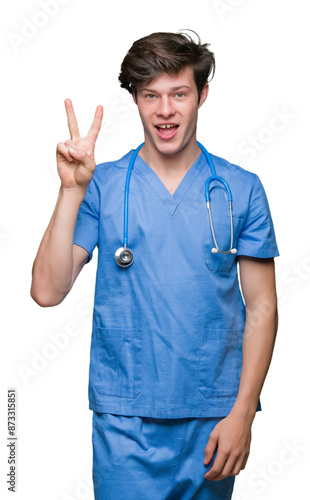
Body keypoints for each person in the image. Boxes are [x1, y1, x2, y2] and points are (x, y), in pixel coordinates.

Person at [31, 31, 279, 500]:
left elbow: (262, 307)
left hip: (214, 420)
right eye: (151, 96)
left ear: (201, 95)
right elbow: (47, 291)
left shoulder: (241, 189)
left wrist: (242, 414)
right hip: (126, 423)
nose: (165, 110)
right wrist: (70, 190)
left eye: (179, 93)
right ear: (136, 100)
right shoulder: (102, 186)